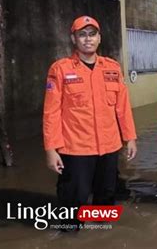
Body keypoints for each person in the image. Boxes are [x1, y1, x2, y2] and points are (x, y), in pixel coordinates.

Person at [43, 15, 137, 226]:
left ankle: (100, 237)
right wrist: (51, 149)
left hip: (109, 148)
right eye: (82, 35)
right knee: (73, 201)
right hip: (75, 149)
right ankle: (70, 235)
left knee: (106, 198)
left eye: (92, 34)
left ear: (99, 38)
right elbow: (51, 113)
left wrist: (130, 137)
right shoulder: (60, 69)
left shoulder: (112, 68)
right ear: (73, 38)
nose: (88, 39)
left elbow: (122, 107)